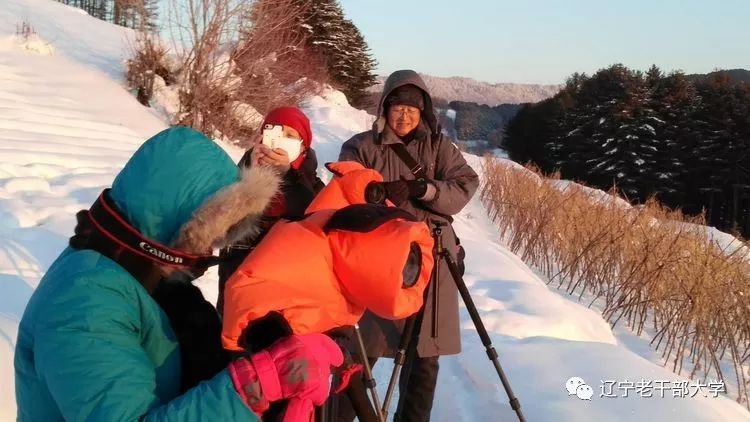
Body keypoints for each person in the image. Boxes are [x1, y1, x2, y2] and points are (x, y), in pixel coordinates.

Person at [14, 126, 342, 421]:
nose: (214, 245)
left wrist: (265, 360)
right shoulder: (84, 304)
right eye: (214, 228)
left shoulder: (142, 276)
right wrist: (251, 387)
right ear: (179, 219)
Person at [337, 69, 479, 421]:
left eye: (412, 111)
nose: (404, 116)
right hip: (378, 261)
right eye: (398, 108)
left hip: (431, 258)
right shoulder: (361, 146)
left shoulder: (438, 148)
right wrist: (382, 199)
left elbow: (465, 184)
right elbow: (345, 191)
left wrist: (423, 189)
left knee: (423, 359)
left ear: (423, 113)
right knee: (359, 353)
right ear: (385, 108)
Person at [217, 106, 324, 315]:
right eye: (274, 131)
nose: (280, 140)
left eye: (290, 135)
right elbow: (218, 222)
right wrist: (249, 175)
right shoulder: (234, 176)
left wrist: (288, 177)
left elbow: (312, 218)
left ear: (303, 147)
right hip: (235, 288)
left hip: (286, 295)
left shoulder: (315, 188)